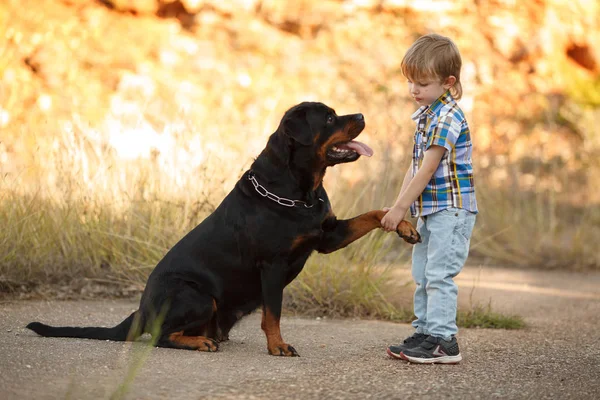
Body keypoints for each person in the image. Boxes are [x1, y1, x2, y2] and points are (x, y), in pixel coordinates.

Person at [381, 33, 478, 364]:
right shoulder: (427, 115)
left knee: (438, 274)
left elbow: (428, 170)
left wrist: (400, 207)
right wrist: (399, 206)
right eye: (410, 82)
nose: (413, 90)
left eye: (422, 83)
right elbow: (414, 166)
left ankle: (444, 341)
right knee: (422, 273)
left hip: (451, 211)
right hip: (432, 210)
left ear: (448, 82)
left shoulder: (448, 116)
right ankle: (424, 331)